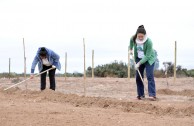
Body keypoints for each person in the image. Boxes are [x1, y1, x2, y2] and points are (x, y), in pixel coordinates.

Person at [129, 25, 156, 100]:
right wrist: (130, 49)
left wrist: (139, 63)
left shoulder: (149, 42)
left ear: (144, 35)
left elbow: (147, 56)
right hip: (138, 58)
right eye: (139, 36)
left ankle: (152, 94)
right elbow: (130, 42)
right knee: (138, 77)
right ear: (137, 35)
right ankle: (141, 94)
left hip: (149, 59)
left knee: (149, 76)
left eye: (142, 36)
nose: (140, 38)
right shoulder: (133, 38)